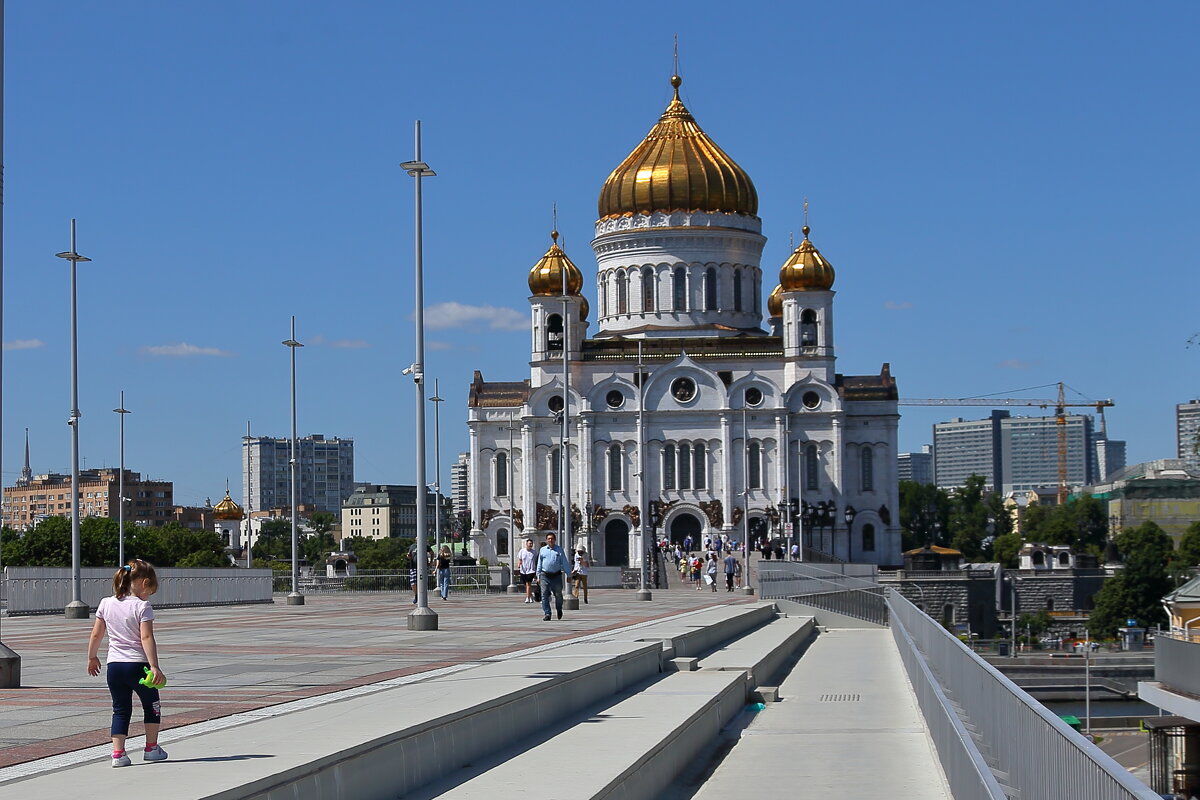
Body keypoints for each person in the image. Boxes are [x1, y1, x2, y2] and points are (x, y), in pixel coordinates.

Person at [86, 559, 168, 767]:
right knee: (152, 705)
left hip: (114, 666)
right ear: (144, 583)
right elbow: (146, 638)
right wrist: (154, 666)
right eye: (150, 590)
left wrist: (92, 657)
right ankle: (151, 748)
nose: (148, 595)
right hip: (137, 666)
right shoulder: (142, 606)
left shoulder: (106, 603)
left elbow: (96, 634)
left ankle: (118, 754)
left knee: (120, 709)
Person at [537, 532, 571, 621]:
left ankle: (559, 609)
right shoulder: (542, 550)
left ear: (555, 540)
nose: (550, 540)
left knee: (558, 595)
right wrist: (538, 575)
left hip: (556, 575)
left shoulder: (559, 550)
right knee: (544, 595)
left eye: (552, 538)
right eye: (549, 539)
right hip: (545, 575)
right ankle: (547, 613)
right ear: (546, 540)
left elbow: (564, 562)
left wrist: (568, 574)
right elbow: (539, 563)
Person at [516, 538, 537, 603]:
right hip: (523, 570)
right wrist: (519, 564)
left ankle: (527, 598)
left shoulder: (534, 552)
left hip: (531, 570)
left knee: (528, 584)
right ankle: (531, 596)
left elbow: (536, 561)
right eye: (529, 543)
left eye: (531, 544)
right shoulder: (522, 551)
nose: (531, 545)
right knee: (526, 585)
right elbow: (520, 559)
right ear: (526, 544)